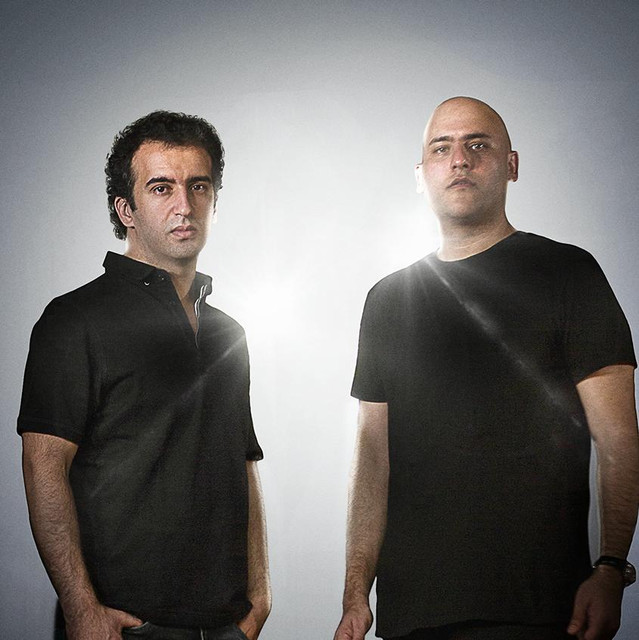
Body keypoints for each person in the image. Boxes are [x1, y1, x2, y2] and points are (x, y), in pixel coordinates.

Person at [334, 97, 639, 640]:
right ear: (420, 174)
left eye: (478, 145)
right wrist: (356, 593)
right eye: (441, 148)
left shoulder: (569, 272)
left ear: (511, 165)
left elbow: (618, 436)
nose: (459, 160)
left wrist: (611, 567)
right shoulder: (386, 299)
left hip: (541, 610)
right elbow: (372, 459)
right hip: (413, 616)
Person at [18, 111, 271, 640]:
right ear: (125, 209)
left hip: (225, 625)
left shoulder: (229, 333)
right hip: (122, 626)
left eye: (199, 186)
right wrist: (81, 608)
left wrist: (260, 596)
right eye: (161, 188)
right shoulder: (74, 320)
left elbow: (243, 462)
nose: (184, 205)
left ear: (215, 200)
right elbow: (44, 467)